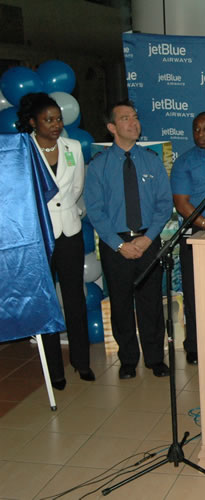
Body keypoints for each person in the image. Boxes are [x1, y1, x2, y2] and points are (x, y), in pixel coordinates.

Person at [84, 100, 173, 379]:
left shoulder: (151, 161)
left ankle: (155, 358)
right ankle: (128, 360)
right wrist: (120, 245)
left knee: (151, 302)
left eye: (135, 117)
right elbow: (95, 211)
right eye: (125, 119)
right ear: (112, 127)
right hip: (115, 245)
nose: (133, 123)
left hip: (148, 241)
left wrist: (147, 240)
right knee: (121, 303)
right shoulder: (99, 166)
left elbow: (163, 204)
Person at [16, 93, 94, 388]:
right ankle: (55, 370)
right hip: (38, 236)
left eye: (59, 119)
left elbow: (76, 188)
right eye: (48, 120)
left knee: (75, 297)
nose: (56, 125)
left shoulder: (72, 147)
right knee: (47, 302)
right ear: (33, 122)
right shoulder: (24, 150)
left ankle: (81, 362)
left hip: (69, 233)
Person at [170, 111, 205, 365]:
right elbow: (182, 203)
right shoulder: (183, 162)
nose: (201, 134)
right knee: (194, 293)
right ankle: (194, 345)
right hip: (194, 234)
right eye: (196, 129)